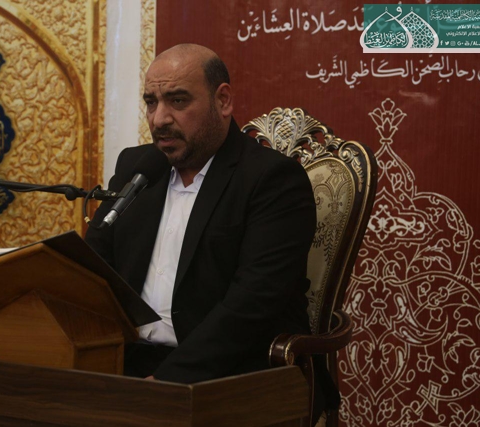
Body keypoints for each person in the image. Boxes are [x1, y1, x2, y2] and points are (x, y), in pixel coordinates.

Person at [85, 44, 316, 385]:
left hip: (229, 374)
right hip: (127, 362)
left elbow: (251, 307)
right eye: (151, 102)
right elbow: (93, 269)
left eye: (178, 101)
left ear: (222, 101)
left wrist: (165, 383)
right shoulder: (138, 168)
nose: (159, 119)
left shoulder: (271, 180)